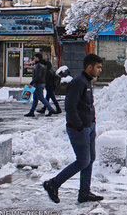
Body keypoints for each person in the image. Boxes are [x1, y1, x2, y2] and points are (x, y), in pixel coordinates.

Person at [43, 53, 103, 204]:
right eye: (98, 67)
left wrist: (92, 122)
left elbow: (87, 105)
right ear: (89, 67)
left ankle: (84, 192)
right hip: (79, 129)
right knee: (83, 161)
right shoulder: (79, 82)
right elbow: (70, 106)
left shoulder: (88, 82)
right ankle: (53, 184)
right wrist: (79, 125)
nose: (100, 70)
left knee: (90, 159)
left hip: (89, 127)